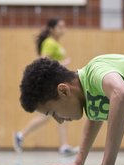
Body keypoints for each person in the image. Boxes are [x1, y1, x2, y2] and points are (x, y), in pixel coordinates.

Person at [14, 18, 77, 155]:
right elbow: (44, 61)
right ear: (52, 29)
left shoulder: (54, 43)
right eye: (60, 26)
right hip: (52, 85)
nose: (63, 29)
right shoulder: (49, 43)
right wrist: (63, 64)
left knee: (59, 112)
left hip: (57, 82)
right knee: (47, 115)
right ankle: (21, 135)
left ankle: (64, 145)